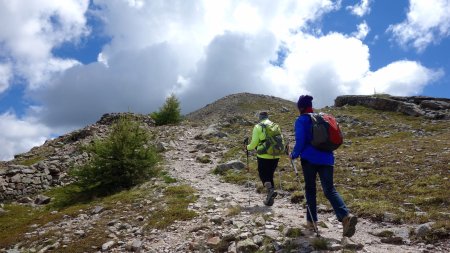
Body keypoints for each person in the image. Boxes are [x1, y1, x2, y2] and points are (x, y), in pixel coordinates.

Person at [290, 95, 357, 237]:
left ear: (300, 108)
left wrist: (294, 154)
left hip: (309, 159)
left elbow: (300, 141)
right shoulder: (323, 118)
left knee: (310, 190)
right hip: (327, 158)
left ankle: (312, 222)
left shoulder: (301, 120)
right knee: (329, 189)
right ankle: (345, 216)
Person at [246, 111, 280, 206]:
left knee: (263, 174)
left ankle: (270, 190)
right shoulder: (275, 125)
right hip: (276, 154)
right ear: (267, 117)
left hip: (263, 155)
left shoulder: (258, 127)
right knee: (270, 175)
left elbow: (253, 144)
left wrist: (246, 147)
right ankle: (269, 201)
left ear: (260, 117)